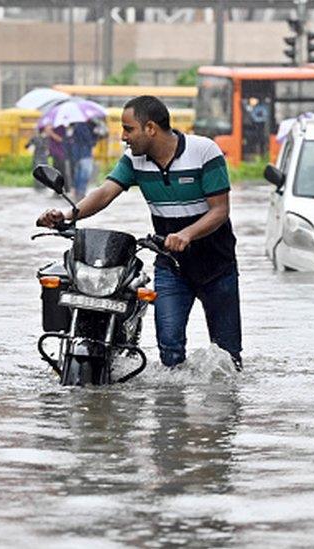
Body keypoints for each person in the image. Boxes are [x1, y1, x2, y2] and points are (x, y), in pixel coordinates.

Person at [37, 96, 242, 370]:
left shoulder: (204, 151)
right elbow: (104, 193)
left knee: (228, 356)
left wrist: (187, 234)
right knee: (169, 350)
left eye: (128, 129)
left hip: (217, 266)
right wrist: (65, 215)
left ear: (151, 129)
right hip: (172, 266)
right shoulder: (134, 161)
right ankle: (171, 409)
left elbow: (220, 211)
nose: (123, 137)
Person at [67, 121, 98, 200]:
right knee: (84, 175)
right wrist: (95, 133)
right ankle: (80, 194)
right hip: (84, 154)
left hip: (78, 155)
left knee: (79, 174)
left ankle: (78, 193)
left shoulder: (79, 126)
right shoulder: (82, 126)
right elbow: (90, 141)